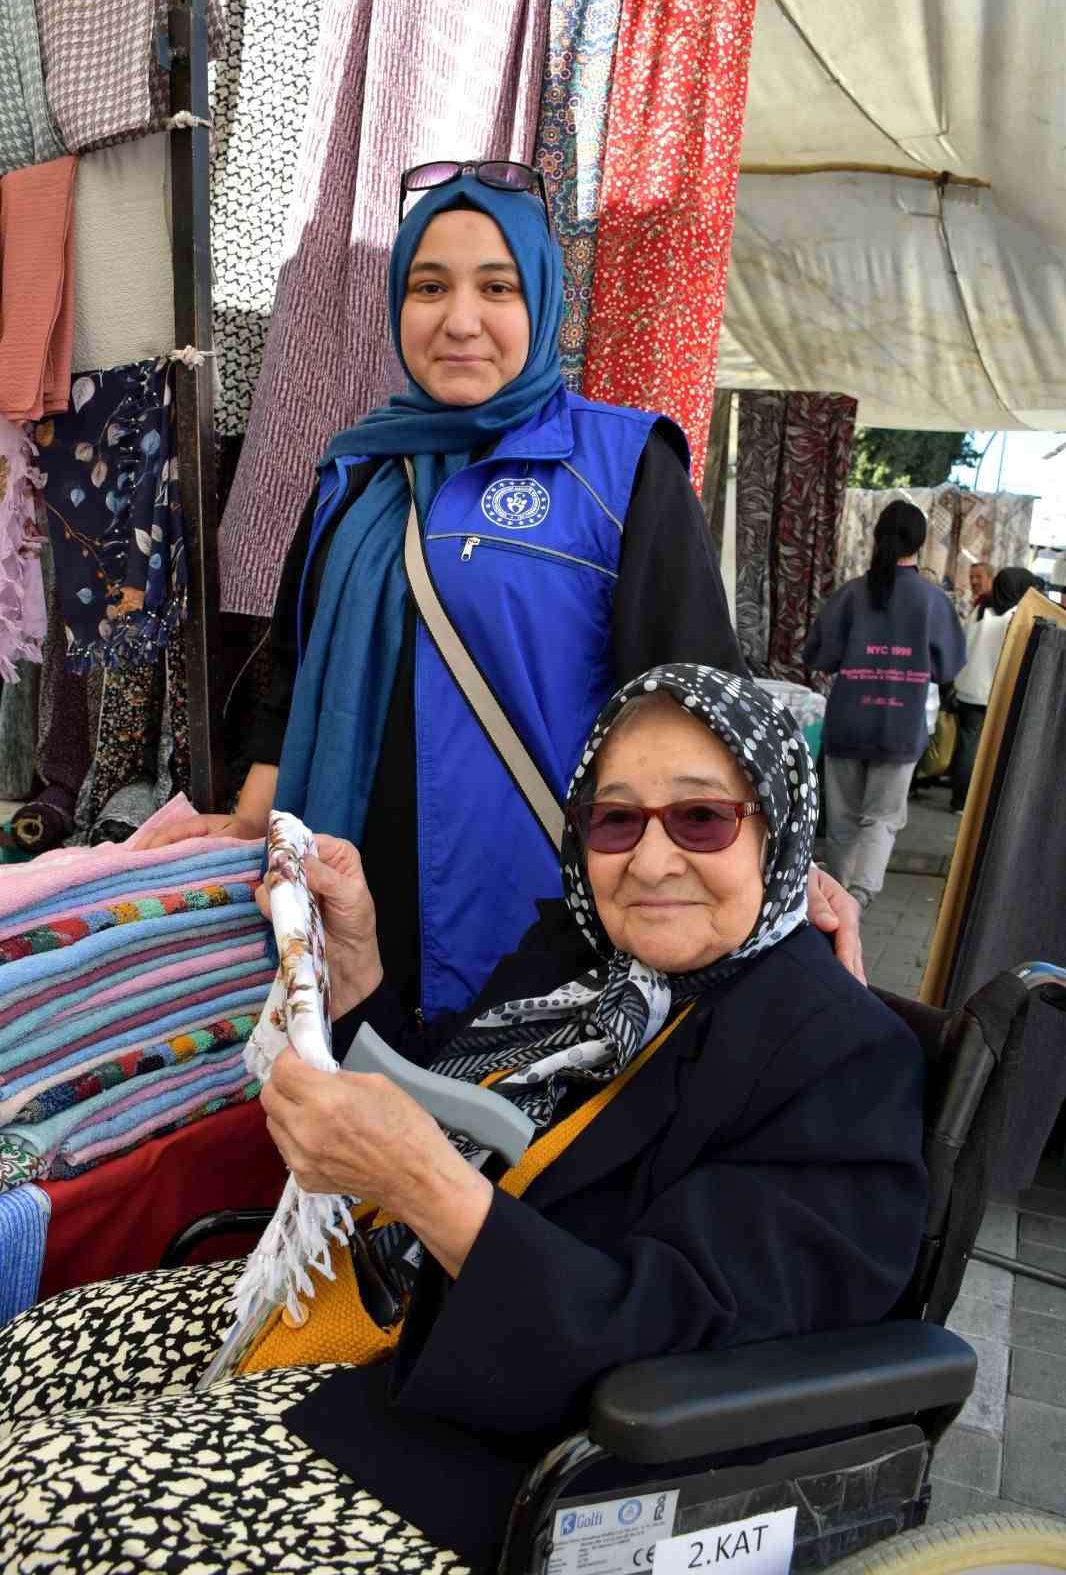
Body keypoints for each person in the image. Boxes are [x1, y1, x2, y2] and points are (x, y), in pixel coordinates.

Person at [0, 665, 927, 1575]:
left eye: (701, 817)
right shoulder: (579, 958)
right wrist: (354, 958)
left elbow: (666, 1337)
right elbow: (442, 1094)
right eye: (615, 820)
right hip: (371, 1305)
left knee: (37, 1499)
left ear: (777, 827)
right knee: (27, 1356)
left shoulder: (837, 1058)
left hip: (508, 1449)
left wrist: (424, 1188)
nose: (650, 861)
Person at [148, 162, 860, 1009]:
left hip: (535, 921)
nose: (460, 321)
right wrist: (243, 824)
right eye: (428, 286)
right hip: (344, 898)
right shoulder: (355, 472)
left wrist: (777, 869)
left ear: (544, 303)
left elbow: (700, 697)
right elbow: (292, 678)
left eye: (497, 287)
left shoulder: (624, 466)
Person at [804, 500, 965, 912]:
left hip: (848, 721)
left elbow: (818, 655)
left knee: (842, 818)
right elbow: (948, 667)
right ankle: (859, 897)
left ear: (877, 537)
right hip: (901, 726)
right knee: (883, 818)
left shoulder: (851, 594)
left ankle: (836, 893)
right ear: (922, 544)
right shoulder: (933, 601)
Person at [951, 566, 1045, 812]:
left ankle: (959, 800)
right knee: (993, 748)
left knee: (967, 746)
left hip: (970, 689)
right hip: (999, 692)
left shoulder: (981, 609)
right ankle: (983, 802)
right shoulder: (1019, 615)